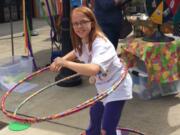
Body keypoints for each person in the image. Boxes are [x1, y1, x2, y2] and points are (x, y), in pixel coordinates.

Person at [50, 7, 132, 135]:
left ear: (92, 22)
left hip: (118, 87)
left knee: (107, 128)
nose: (79, 26)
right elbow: (76, 52)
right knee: (95, 112)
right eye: (75, 23)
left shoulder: (100, 43)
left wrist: (65, 63)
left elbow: (94, 69)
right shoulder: (85, 39)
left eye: (83, 22)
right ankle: (92, 133)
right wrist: (61, 59)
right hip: (104, 86)